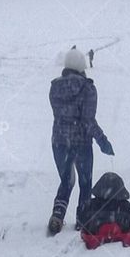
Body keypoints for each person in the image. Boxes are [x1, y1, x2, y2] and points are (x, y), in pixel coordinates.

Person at [47, 47, 113, 236]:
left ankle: (58, 215)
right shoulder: (88, 88)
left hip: (59, 141)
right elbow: (88, 121)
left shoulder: (54, 87)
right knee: (85, 182)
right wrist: (103, 142)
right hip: (81, 143)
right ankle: (82, 220)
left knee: (66, 181)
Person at [79, 172, 130, 249]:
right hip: (124, 237)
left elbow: (82, 220)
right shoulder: (124, 205)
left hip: (94, 238)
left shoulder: (92, 204)